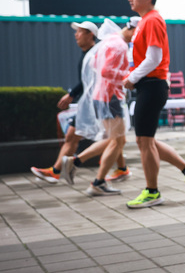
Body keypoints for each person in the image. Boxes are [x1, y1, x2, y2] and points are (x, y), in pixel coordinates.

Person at [62, 19, 185, 194]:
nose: (138, 39)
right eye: (138, 34)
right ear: (132, 29)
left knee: (125, 140)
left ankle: (81, 166)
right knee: (122, 141)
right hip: (111, 97)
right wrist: (130, 77)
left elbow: (95, 65)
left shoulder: (110, 41)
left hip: (103, 96)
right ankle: (95, 180)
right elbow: (107, 71)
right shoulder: (119, 45)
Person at [123, 0, 185, 208]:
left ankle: (152, 192)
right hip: (148, 85)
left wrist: (132, 78)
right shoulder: (145, 22)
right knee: (147, 140)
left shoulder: (153, 20)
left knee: (143, 141)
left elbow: (154, 58)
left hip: (152, 84)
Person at [31, 21, 129, 184]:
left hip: (97, 103)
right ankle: (114, 173)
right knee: (115, 138)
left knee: (114, 138)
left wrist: (72, 95)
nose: (76, 35)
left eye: (80, 32)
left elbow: (97, 79)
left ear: (91, 35)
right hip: (99, 102)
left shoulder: (96, 53)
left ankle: (68, 167)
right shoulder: (93, 53)